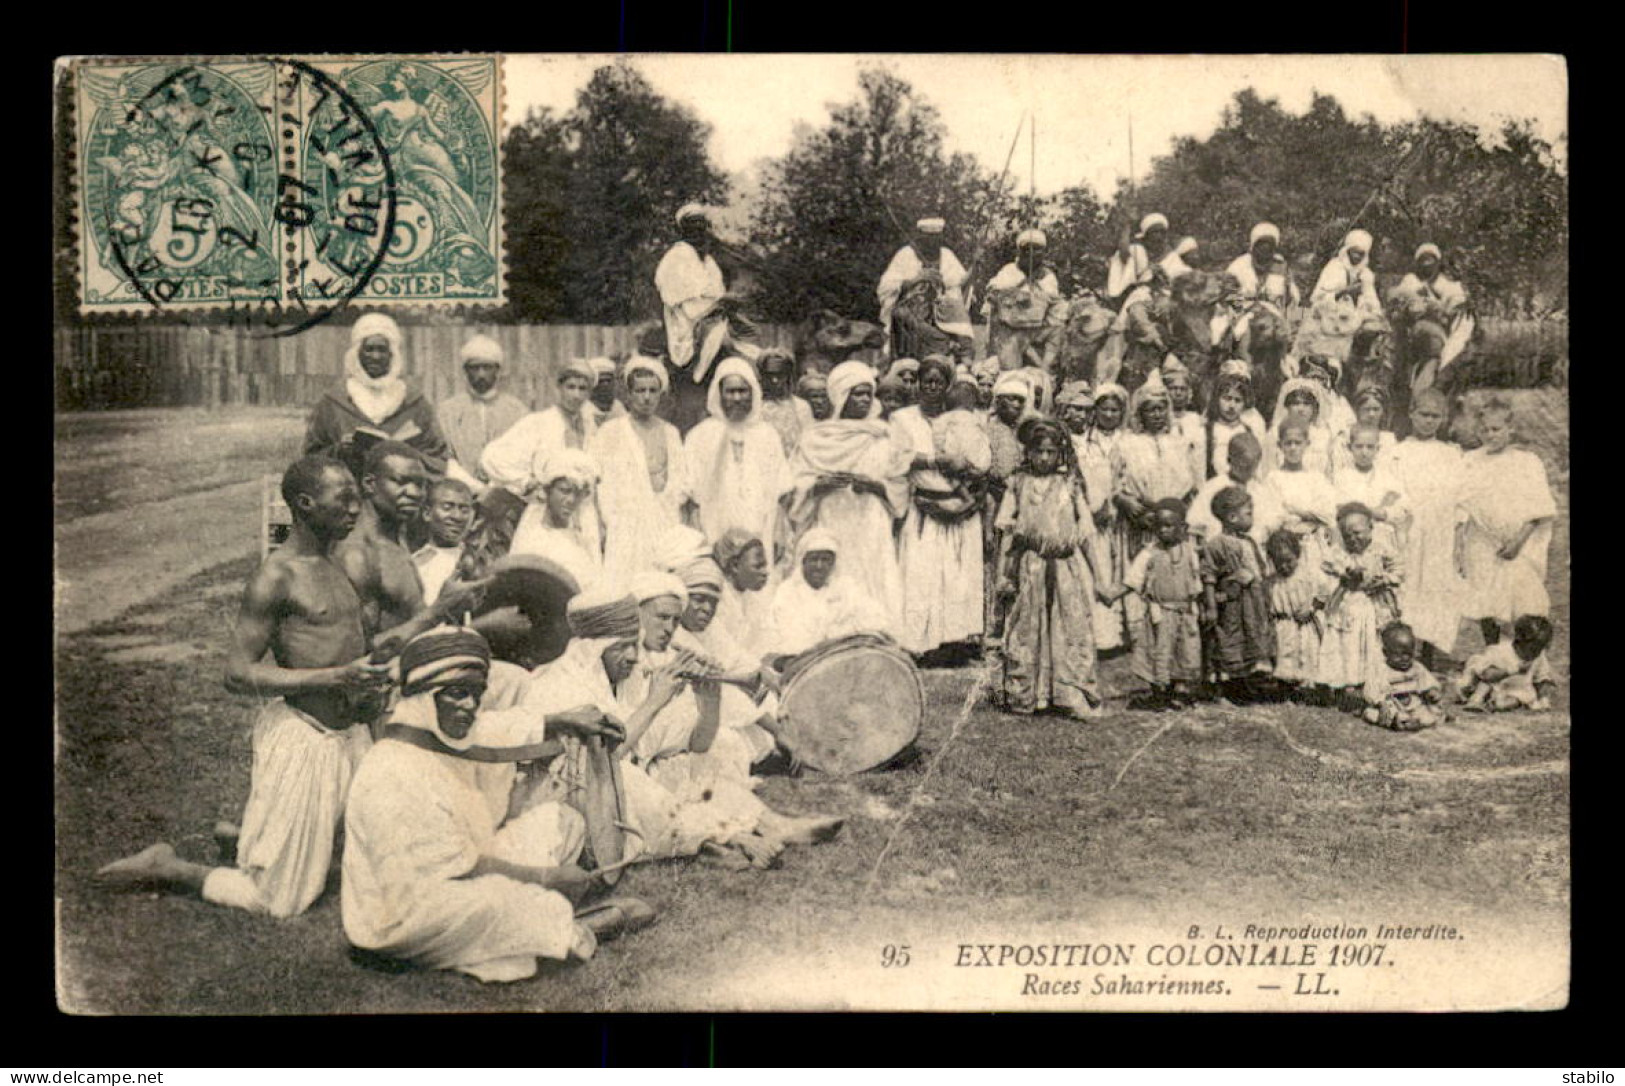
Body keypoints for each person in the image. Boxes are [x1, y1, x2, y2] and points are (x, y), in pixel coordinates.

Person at [96, 456, 394, 918]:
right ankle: (170, 866)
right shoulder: (276, 576)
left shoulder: (341, 563)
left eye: (358, 496)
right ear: (305, 503)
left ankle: (246, 836)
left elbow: (350, 645)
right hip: (306, 737)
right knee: (280, 900)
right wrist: (333, 678)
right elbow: (236, 673)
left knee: (391, 856)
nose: (357, 508)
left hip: (353, 736)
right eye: (345, 498)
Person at [341, 626, 651, 982]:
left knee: (560, 820)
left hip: (460, 873)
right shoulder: (395, 769)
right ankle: (586, 927)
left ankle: (542, 916)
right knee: (501, 903)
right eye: (457, 694)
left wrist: (562, 719)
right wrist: (548, 877)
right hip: (403, 912)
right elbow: (461, 869)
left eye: (476, 693)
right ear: (423, 699)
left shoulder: (441, 735)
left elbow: (496, 728)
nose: (470, 706)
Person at [994, 417, 1115, 717]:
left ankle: (1069, 693)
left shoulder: (1070, 485)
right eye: (1039, 451)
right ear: (1029, 453)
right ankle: (1029, 695)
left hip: (1065, 567)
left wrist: (1100, 579)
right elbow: (1008, 533)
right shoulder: (1018, 484)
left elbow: (1086, 534)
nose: (1044, 458)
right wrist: (1004, 575)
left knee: (1069, 626)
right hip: (1031, 565)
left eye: (1050, 452)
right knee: (1027, 628)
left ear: (1060, 453)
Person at [786, 361, 912, 637]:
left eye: (869, 393)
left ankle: (877, 638)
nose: (865, 400)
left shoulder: (884, 435)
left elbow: (900, 485)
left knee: (873, 579)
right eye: (858, 393)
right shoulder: (817, 437)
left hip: (871, 521)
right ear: (841, 395)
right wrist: (818, 485)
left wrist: (876, 486)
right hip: (833, 519)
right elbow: (795, 484)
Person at [336, 441, 484, 653]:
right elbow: (354, 652)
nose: (414, 492)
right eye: (402, 482)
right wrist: (439, 610)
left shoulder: (397, 542)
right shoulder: (358, 555)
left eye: (420, 484)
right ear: (369, 484)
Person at [893, 357, 992, 656]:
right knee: (922, 575)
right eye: (927, 381)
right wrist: (932, 461)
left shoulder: (961, 417)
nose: (932, 387)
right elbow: (897, 458)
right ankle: (920, 642)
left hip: (959, 508)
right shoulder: (903, 419)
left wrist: (968, 489)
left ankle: (955, 642)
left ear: (948, 386)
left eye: (938, 382)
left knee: (957, 577)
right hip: (925, 504)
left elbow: (978, 458)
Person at [1456, 396, 1557, 647]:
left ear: (1510, 429)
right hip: (1482, 539)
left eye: (1496, 429)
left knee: (1522, 597)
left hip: (1518, 541)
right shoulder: (1470, 460)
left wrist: (1518, 541)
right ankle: (1492, 650)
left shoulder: (1526, 462)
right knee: (1485, 595)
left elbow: (1539, 508)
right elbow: (1462, 501)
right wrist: (1459, 540)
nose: (1490, 435)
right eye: (1484, 430)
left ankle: (1527, 658)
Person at [305, 313, 453, 479]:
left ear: (392, 354)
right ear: (357, 353)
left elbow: (439, 459)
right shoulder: (332, 402)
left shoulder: (415, 402)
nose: (375, 357)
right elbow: (311, 461)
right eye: (369, 349)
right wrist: (340, 450)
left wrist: (408, 454)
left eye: (382, 349)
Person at [589, 357, 694, 584]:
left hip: (666, 527)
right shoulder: (611, 432)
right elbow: (595, 484)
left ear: (660, 394)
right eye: (640, 390)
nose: (646, 397)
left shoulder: (671, 433)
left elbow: (682, 485)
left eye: (652, 390)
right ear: (628, 394)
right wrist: (601, 527)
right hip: (625, 532)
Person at [1386, 388, 1467, 665]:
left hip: (1440, 531)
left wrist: (1458, 540)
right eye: (1423, 414)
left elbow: (1459, 499)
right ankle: (1403, 648)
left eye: (1435, 416)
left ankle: (1429, 653)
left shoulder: (1451, 455)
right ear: (1411, 414)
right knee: (1408, 585)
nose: (1429, 421)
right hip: (1410, 528)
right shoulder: (1398, 452)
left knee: (1435, 586)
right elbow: (1393, 491)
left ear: (1443, 419)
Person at [685, 357, 792, 559]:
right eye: (730, 391)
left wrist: (779, 529)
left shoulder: (767, 435)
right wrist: (700, 540)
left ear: (753, 393)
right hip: (715, 531)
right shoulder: (700, 436)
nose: (736, 398)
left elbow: (782, 492)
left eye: (742, 391)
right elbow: (691, 499)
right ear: (719, 394)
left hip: (761, 528)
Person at [1317, 503, 1403, 714]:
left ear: (1371, 528)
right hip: (1348, 608)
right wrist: (1343, 575)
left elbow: (1399, 569)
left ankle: (1374, 687)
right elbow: (1328, 567)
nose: (1353, 539)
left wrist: (1385, 579)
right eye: (1348, 535)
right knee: (1345, 646)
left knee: (1373, 646)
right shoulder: (1339, 552)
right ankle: (1340, 685)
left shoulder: (1382, 548)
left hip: (1374, 606)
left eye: (1358, 533)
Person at [656, 204, 751, 386]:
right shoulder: (675, 258)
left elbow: (717, 296)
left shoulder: (708, 262)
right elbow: (689, 309)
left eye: (701, 228)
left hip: (712, 318)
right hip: (685, 325)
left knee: (748, 339)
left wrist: (727, 303)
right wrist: (720, 304)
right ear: (682, 231)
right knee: (722, 341)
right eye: (692, 228)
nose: (698, 233)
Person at [1112, 374, 1201, 566]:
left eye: (1161, 409)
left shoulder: (1178, 442)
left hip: (1173, 518)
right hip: (1142, 518)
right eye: (1150, 410)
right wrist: (1126, 501)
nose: (1157, 414)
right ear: (1141, 413)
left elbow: (1191, 484)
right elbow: (1114, 484)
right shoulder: (1127, 443)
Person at [1123, 498, 1204, 709]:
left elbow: (1197, 582)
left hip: (1184, 613)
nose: (1163, 530)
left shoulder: (1190, 552)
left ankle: (1180, 692)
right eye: (1159, 526)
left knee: (1184, 652)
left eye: (1169, 525)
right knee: (1157, 651)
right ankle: (1159, 693)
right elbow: (1133, 579)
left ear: (1183, 528)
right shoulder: (1149, 553)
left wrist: (1200, 605)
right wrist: (1111, 594)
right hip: (1160, 614)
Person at [1200, 486, 1276, 702]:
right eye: (1248, 513)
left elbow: (1259, 568)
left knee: (1250, 635)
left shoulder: (1249, 541)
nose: (1252, 517)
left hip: (1252, 601)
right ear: (1232, 517)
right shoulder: (1216, 544)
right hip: (1232, 602)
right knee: (1230, 637)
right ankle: (1228, 684)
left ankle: (1245, 679)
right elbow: (1209, 576)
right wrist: (1212, 606)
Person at [767, 529, 891, 657]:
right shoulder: (787, 592)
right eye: (814, 559)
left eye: (825, 560)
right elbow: (792, 641)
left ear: (833, 562)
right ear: (803, 561)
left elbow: (877, 620)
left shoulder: (847, 586)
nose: (819, 566)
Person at [437, 334, 529, 490]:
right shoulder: (447, 411)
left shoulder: (518, 411)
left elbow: (524, 457)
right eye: (475, 368)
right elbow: (445, 459)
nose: (481, 374)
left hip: (507, 492)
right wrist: (476, 488)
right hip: (460, 491)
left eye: (487, 367)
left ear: (497, 370)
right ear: (465, 371)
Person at [1076, 382, 1129, 653]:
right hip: (1094, 515)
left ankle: (1122, 633)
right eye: (1104, 409)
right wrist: (1095, 507)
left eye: (1114, 410)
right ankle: (1100, 635)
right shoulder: (1085, 441)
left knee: (1121, 569)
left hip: (1121, 516)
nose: (1109, 415)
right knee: (1097, 571)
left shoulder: (1127, 439)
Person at [508, 449, 603, 592]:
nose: (571, 500)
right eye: (564, 491)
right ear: (547, 490)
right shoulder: (532, 539)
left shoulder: (581, 538)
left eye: (578, 494)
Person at [1388, 242, 1475, 397]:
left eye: (1431, 260)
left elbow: (1455, 306)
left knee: (1440, 351)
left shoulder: (1446, 284)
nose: (1427, 264)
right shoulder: (1410, 280)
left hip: (1437, 333)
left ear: (1438, 263)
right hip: (1410, 331)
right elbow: (1398, 300)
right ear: (1417, 263)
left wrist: (1439, 307)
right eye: (1423, 260)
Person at [877, 216, 970, 352]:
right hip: (913, 308)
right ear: (920, 236)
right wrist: (917, 279)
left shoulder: (946, 254)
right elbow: (886, 287)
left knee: (960, 321)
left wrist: (975, 266)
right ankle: (941, 346)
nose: (932, 242)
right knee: (903, 317)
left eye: (936, 237)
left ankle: (961, 353)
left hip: (942, 308)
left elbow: (961, 283)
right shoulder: (905, 254)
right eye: (928, 237)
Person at [1266, 419, 1340, 580]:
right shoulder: (1273, 478)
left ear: (1307, 444)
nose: (1293, 448)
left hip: (1314, 544)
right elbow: (1275, 517)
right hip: (1286, 549)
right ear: (1280, 445)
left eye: (1298, 443)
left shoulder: (1316, 478)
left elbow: (1328, 513)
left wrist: (1298, 511)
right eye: (1288, 443)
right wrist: (1311, 515)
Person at [985, 229, 1064, 371]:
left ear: (1044, 254)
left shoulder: (1048, 276)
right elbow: (993, 290)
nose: (1031, 254)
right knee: (1010, 370)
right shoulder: (1009, 271)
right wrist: (1017, 288)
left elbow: (1053, 304)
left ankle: (1045, 369)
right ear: (1019, 252)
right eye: (1026, 249)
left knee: (1059, 324)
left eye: (1037, 250)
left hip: (1037, 329)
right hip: (1010, 329)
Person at [1188, 431, 1282, 546]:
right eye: (1243, 466)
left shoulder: (1261, 489)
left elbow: (1274, 521)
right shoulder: (1213, 487)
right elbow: (1196, 526)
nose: (1249, 472)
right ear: (1229, 460)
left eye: (1253, 466)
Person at [1265, 527, 1326, 698]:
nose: (1284, 566)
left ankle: (1308, 687)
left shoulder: (1309, 574)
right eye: (1279, 563)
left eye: (1288, 561)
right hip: (1283, 625)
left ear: (1297, 554)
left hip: (1305, 623)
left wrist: (1311, 608)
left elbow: (1324, 593)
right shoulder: (1272, 582)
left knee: (1307, 653)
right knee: (1284, 654)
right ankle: (1285, 686)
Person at [1458, 614, 1557, 712]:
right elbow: (1486, 675)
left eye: (1540, 649)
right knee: (1485, 685)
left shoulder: (1538, 656)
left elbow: (1542, 679)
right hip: (1489, 682)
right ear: (1519, 640)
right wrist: (1514, 670)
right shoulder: (1500, 651)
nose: (1536, 653)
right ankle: (1476, 700)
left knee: (1518, 700)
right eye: (1532, 648)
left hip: (1512, 689)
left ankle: (1494, 704)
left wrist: (1544, 698)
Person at [1331, 424, 1405, 551]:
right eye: (1359, 447)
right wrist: (1375, 509)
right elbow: (1340, 508)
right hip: (1351, 540)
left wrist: (1385, 512)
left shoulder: (1388, 477)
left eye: (1370, 447)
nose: (1364, 452)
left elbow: (1402, 509)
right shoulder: (1341, 477)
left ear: (1378, 449)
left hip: (1382, 540)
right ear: (1350, 448)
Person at [1365, 622, 1446, 730]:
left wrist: (1432, 691)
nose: (1405, 658)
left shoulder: (1416, 667)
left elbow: (1428, 682)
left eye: (1409, 654)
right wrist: (1380, 702)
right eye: (1399, 654)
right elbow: (1371, 690)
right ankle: (1397, 721)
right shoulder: (1380, 670)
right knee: (1372, 713)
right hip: (1392, 704)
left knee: (1430, 712)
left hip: (1414, 703)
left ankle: (1413, 722)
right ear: (1386, 652)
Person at [414, 477, 477, 607]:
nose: (457, 516)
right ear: (427, 513)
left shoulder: (477, 561)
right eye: (447, 508)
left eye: (464, 510)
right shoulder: (416, 564)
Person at [1205, 362, 1267, 480]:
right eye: (1227, 399)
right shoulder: (1209, 430)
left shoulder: (1248, 429)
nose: (1231, 405)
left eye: (1238, 400)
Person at [1264, 378, 1337, 477]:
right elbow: (1267, 468)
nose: (1301, 409)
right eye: (1296, 403)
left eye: (1306, 404)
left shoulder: (1323, 435)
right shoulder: (1274, 433)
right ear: (1287, 407)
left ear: (1314, 407)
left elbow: (1330, 472)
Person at [756, 349, 813, 457]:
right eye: (769, 375)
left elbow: (809, 444)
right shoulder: (755, 407)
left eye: (780, 375)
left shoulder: (802, 407)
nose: (774, 380)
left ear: (788, 376)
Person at [1106, 212, 1171, 306]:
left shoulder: (1169, 254)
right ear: (1147, 236)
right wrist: (1127, 226)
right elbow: (1124, 252)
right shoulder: (1137, 250)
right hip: (1136, 295)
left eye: (1162, 232)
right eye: (1155, 232)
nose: (1159, 236)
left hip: (1160, 296)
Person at [1160, 357, 1206, 484]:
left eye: (1182, 389)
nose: (1178, 393)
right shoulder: (1159, 419)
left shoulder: (1196, 420)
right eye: (1173, 388)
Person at [586, 357, 624, 426]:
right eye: (601, 381)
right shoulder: (584, 408)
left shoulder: (618, 407)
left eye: (608, 380)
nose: (605, 385)